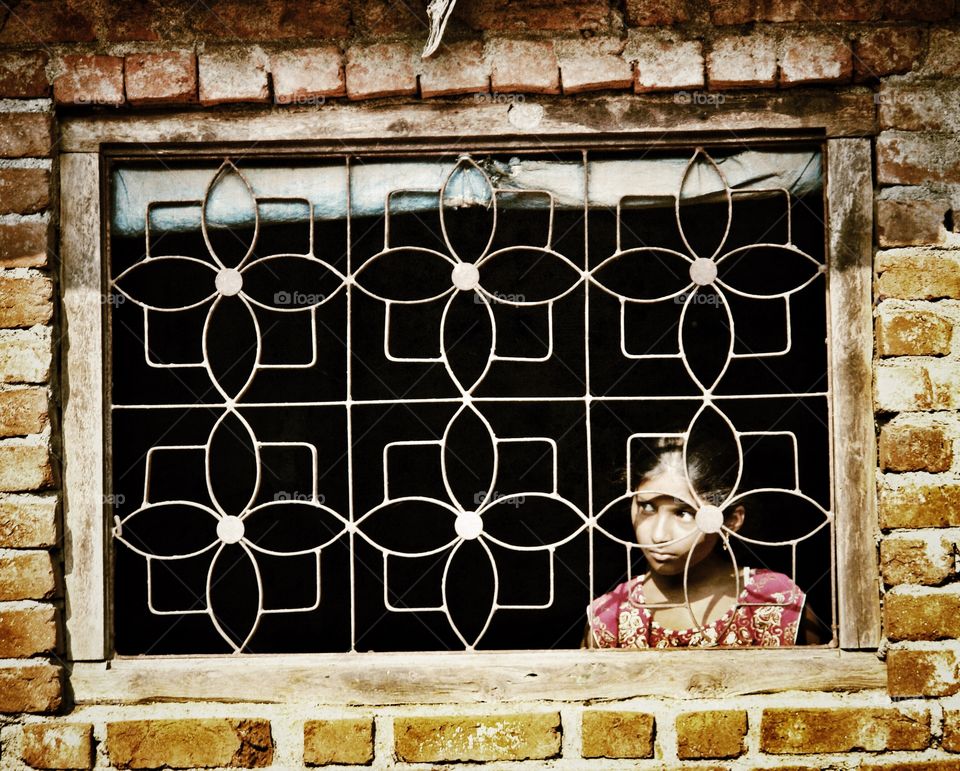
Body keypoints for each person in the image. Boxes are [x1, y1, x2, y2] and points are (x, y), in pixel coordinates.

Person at [585, 438, 824, 648]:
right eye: (647, 507)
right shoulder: (610, 616)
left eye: (684, 513)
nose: (659, 535)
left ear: (731, 520)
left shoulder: (773, 602)